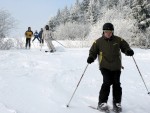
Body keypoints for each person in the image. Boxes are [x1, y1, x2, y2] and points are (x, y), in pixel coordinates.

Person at [87, 23, 134, 112]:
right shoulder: (98, 42)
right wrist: (91, 58)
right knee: (107, 82)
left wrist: (128, 51)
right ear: (103, 32)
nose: (108, 33)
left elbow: (125, 47)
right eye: (106, 32)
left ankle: (117, 103)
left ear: (112, 32)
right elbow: (93, 51)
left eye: (110, 32)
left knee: (117, 84)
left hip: (116, 66)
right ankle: (102, 103)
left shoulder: (118, 40)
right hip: (104, 66)